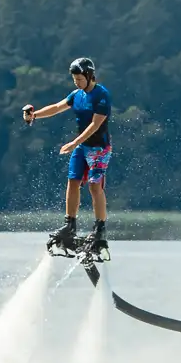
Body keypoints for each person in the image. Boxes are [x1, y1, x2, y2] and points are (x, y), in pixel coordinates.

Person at [22, 57, 113, 258]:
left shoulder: (102, 95)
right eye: (74, 79)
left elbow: (95, 125)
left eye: (79, 79)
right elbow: (56, 107)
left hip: (99, 148)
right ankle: (69, 225)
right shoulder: (76, 95)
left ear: (89, 76)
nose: (76, 83)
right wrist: (35, 115)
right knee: (73, 182)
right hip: (82, 147)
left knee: (94, 186)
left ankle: (99, 230)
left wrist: (73, 143)